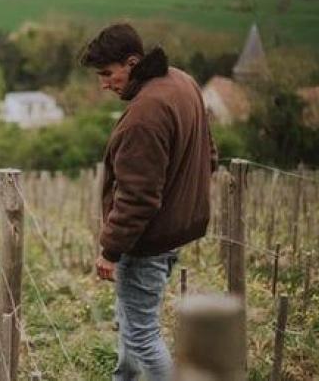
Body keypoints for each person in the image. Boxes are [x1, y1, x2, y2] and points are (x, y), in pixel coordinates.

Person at [80, 23, 217, 380]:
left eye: (108, 74)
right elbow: (209, 154)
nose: (104, 84)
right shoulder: (182, 82)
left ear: (132, 62)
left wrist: (110, 249)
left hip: (147, 242)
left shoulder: (146, 113)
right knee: (131, 319)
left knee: (142, 335)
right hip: (171, 231)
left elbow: (138, 197)